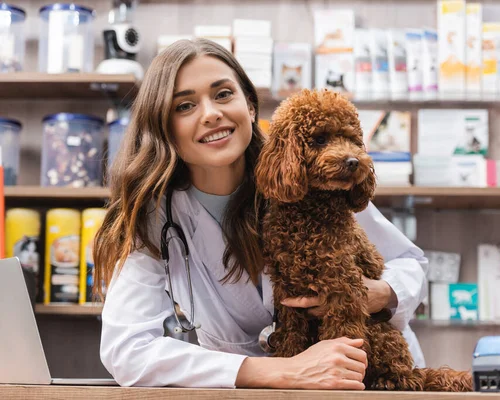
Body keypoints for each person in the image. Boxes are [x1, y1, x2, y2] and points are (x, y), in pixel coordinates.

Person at [94, 38, 428, 390]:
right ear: (164, 127)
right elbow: (127, 350)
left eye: (223, 94)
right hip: (260, 391)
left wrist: (377, 293)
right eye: (186, 105)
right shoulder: (155, 217)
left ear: (250, 107)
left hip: (369, 379)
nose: (210, 113)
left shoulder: (309, 173)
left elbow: (409, 263)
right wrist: (281, 371)